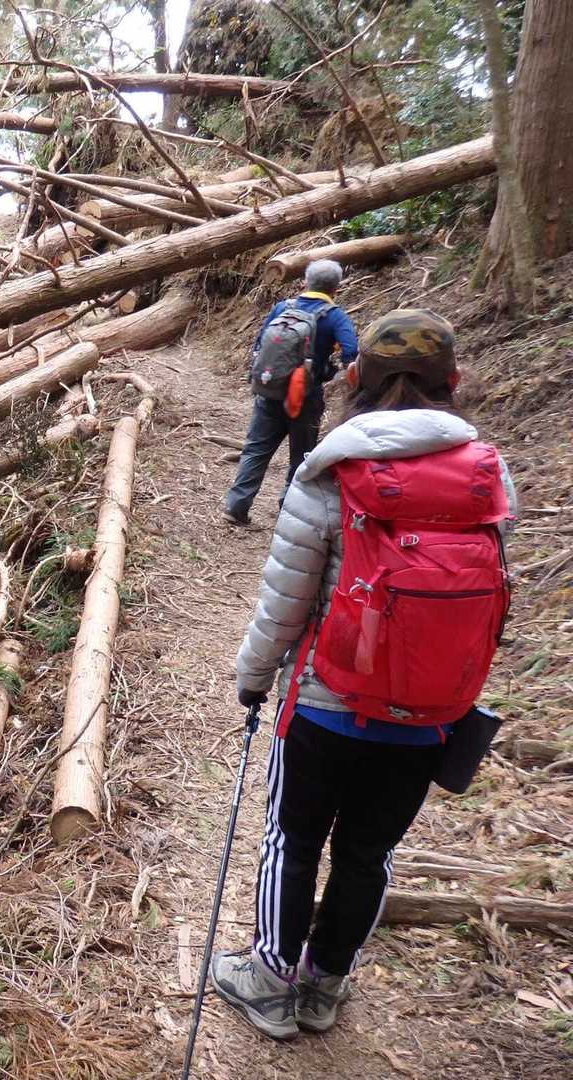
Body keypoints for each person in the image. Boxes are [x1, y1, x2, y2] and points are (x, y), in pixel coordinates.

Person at [211, 310, 517, 1040]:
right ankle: (324, 985)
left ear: (354, 377)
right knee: (369, 852)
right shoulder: (487, 474)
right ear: (455, 380)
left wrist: (253, 678)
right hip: (428, 715)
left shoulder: (331, 470)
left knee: (291, 840)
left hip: (326, 703)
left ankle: (270, 980)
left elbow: (285, 602)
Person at [223, 259, 359, 525]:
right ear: (336, 288)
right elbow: (351, 353)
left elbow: (260, 342)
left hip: (269, 390)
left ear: (305, 282)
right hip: (305, 397)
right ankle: (287, 512)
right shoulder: (335, 316)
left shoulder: (283, 308)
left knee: (256, 449)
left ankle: (236, 506)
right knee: (301, 456)